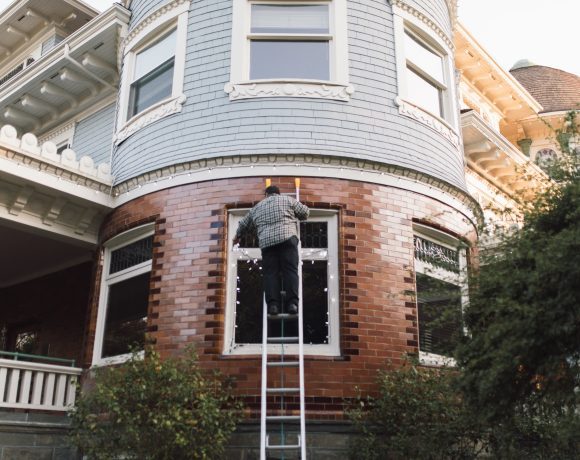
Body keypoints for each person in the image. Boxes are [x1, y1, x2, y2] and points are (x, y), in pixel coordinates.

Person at [233, 185, 309, 315]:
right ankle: (292, 304)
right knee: (290, 270)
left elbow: (243, 224)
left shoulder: (257, 208)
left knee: (270, 273)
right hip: (287, 239)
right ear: (278, 193)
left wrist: (237, 237)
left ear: (266, 195)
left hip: (267, 243)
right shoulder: (288, 200)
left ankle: (273, 305)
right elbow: (305, 213)